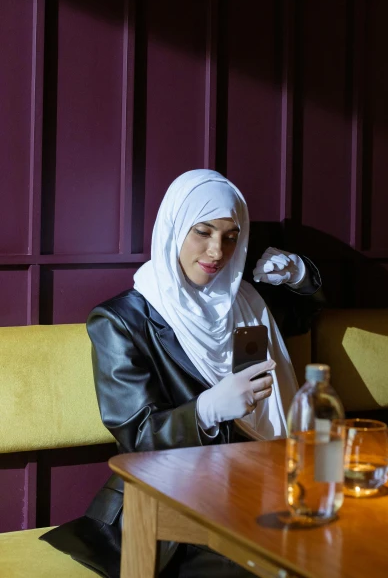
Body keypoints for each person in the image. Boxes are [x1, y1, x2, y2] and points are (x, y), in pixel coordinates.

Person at [40, 169, 324, 577]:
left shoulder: (243, 298)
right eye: (203, 232)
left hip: (258, 484)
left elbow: (305, 313)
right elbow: (136, 435)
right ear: (174, 228)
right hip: (170, 503)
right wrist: (205, 410)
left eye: (230, 237)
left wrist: (298, 274)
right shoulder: (121, 320)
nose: (216, 252)